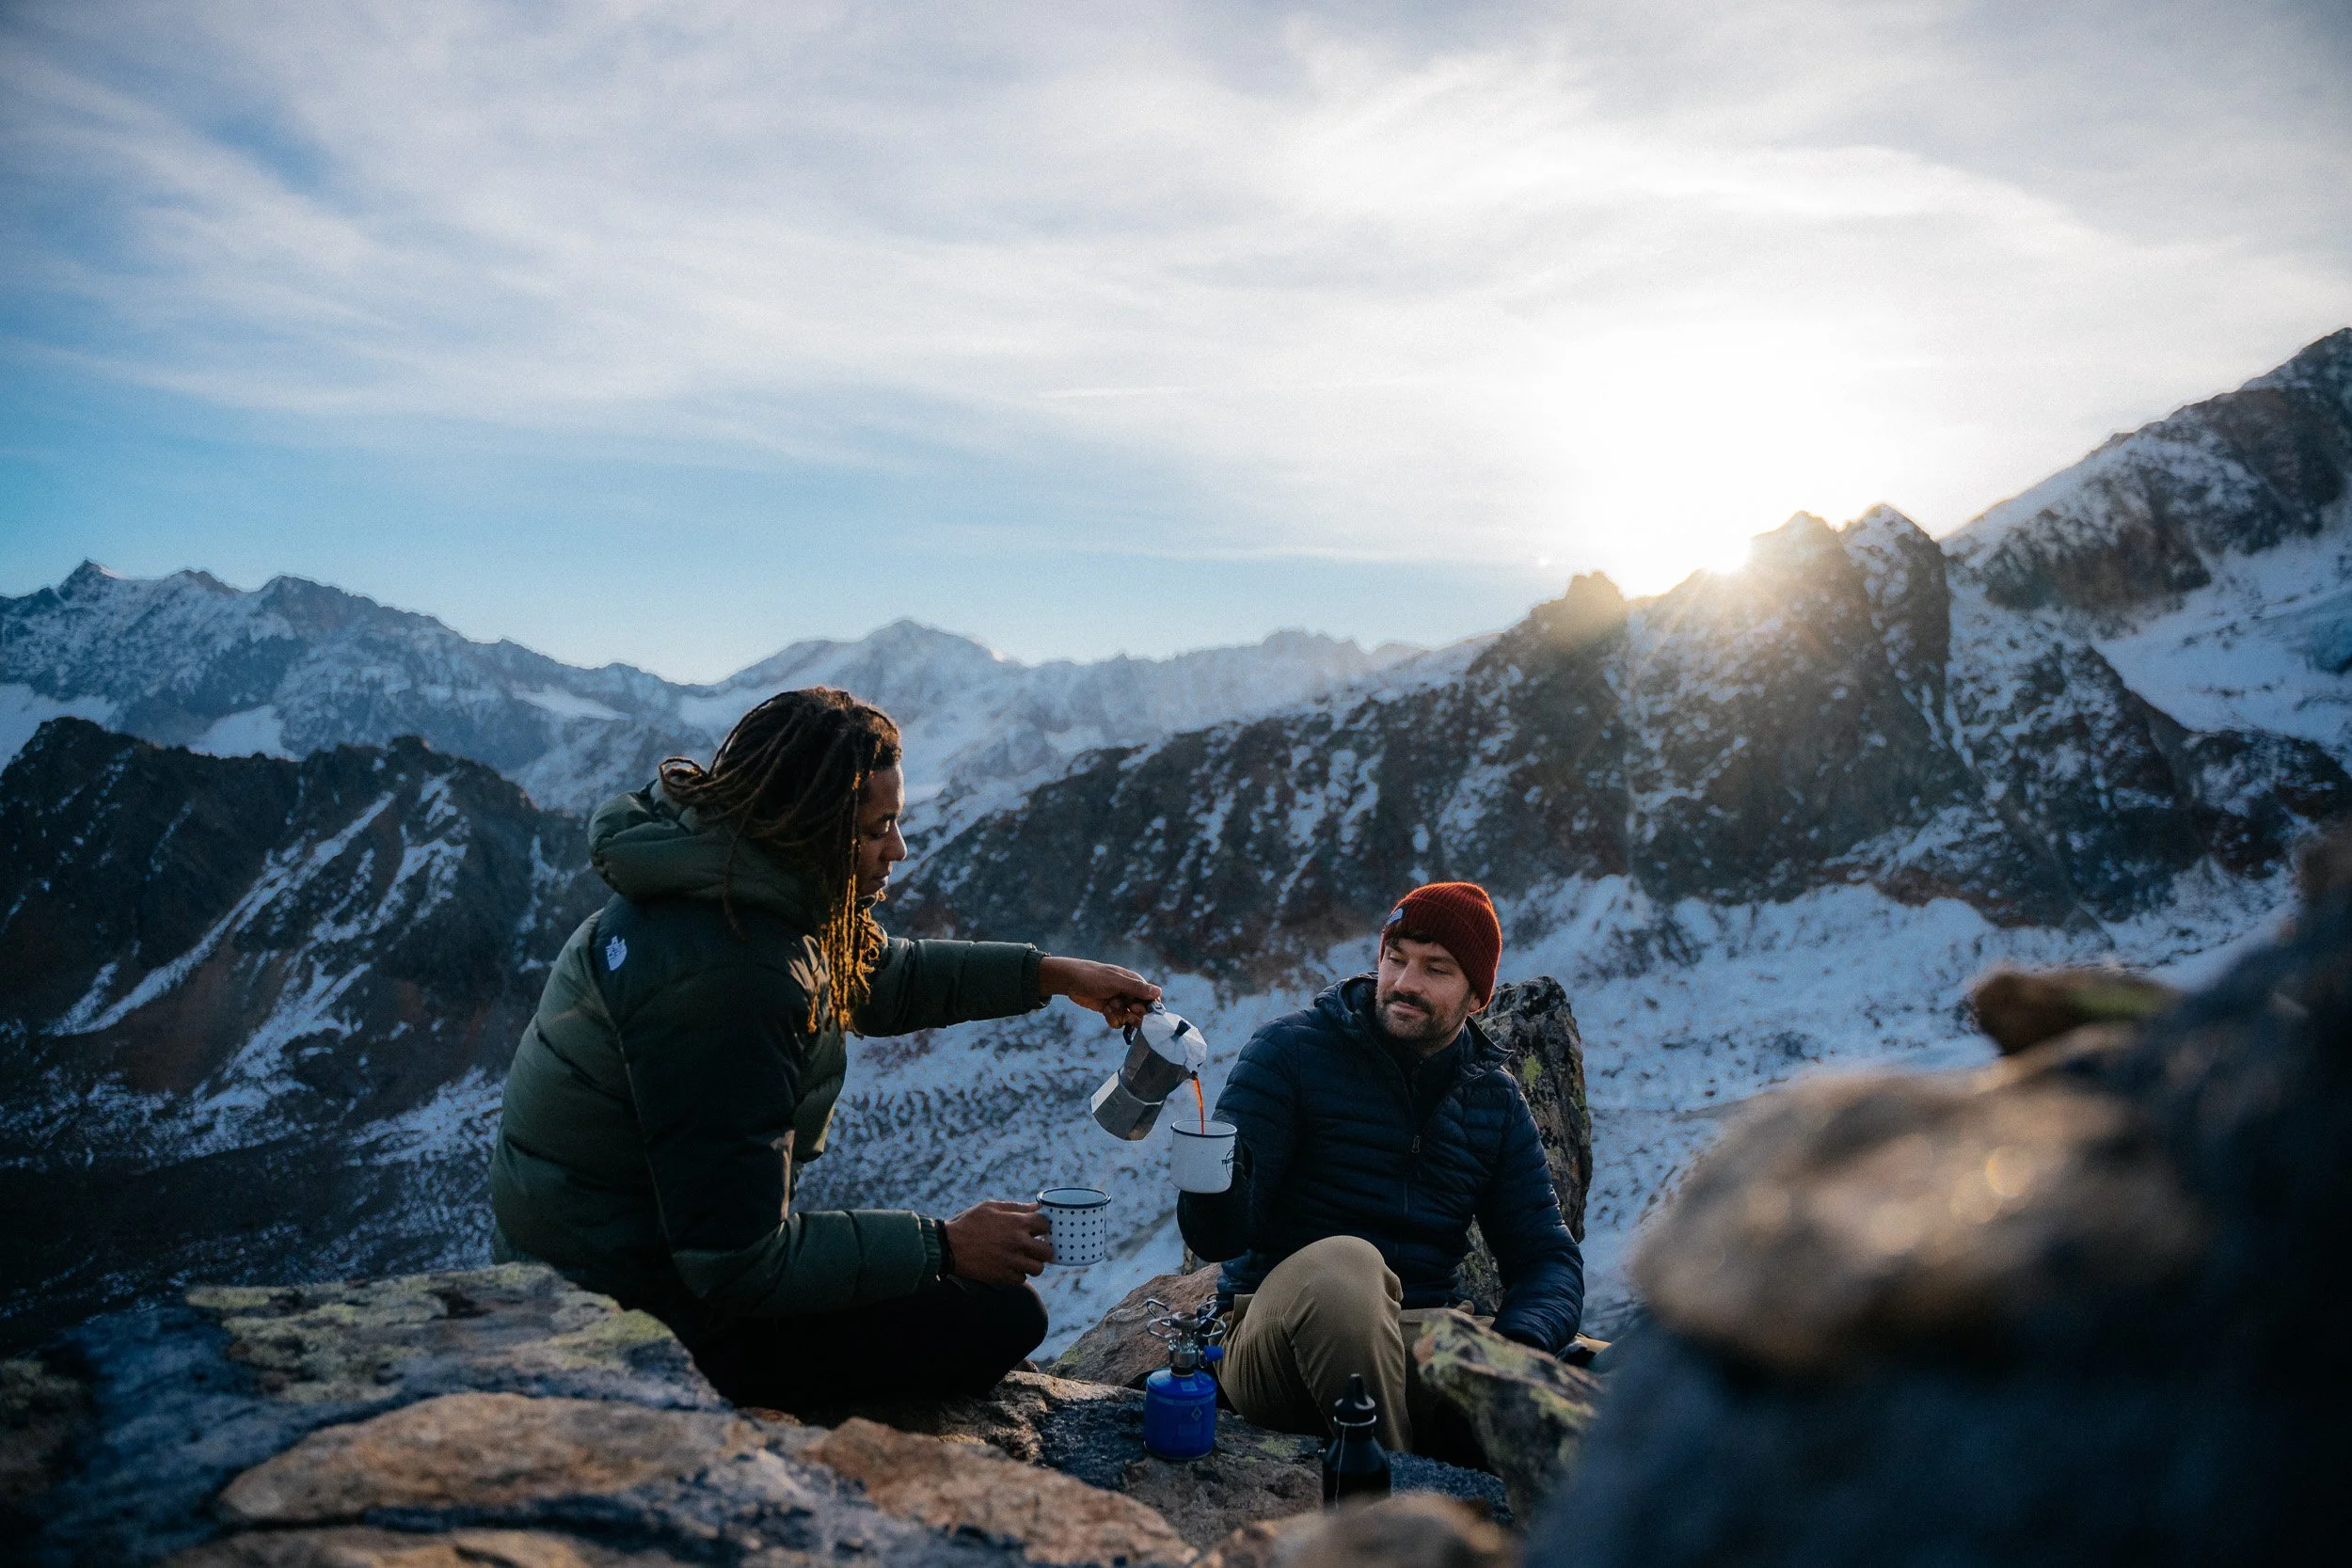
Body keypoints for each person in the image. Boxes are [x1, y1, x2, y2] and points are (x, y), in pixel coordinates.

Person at [490, 687, 1161, 1408]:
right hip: (626, 1321)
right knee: (997, 1319)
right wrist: (943, 1244)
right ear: (810, 824)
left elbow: (877, 978)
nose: (897, 849)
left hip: (606, 1263)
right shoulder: (731, 975)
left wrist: (1053, 975)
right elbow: (737, 1264)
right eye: (878, 829)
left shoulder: (734, 875)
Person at [1178, 881, 1583, 1454]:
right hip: (1273, 1342)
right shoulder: (1290, 1053)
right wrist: (1210, 1184)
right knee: (1346, 1266)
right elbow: (1217, 1236)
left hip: (1413, 1335)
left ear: (1478, 998)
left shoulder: (1493, 1099)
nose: (1405, 984)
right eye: (1396, 959)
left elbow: (1547, 1258)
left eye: (1436, 969)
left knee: (1620, 1374)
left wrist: (1518, 1350)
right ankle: (1393, 1507)